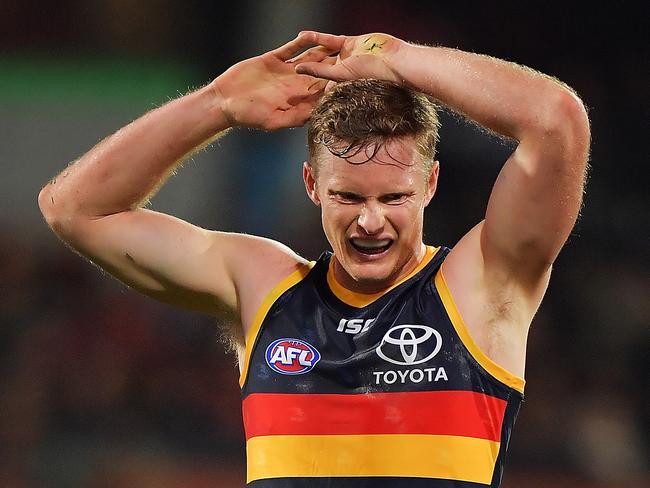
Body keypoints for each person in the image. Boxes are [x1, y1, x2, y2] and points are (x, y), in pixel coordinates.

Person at [38, 30, 590, 487]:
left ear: (430, 185)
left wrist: (396, 57)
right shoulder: (263, 286)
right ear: (311, 185)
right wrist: (216, 105)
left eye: (392, 198)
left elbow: (556, 119)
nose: (370, 221)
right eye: (348, 196)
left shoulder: (480, 287)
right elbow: (75, 210)